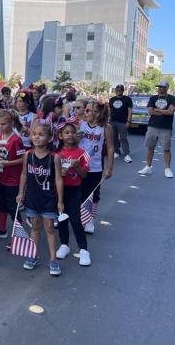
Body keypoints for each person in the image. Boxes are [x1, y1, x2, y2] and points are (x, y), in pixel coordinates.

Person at [16, 121, 64, 276]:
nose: (36, 137)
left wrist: (60, 201)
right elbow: (24, 175)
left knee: (49, 227)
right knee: (35, 227)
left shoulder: (54, 157)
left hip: (48, 198)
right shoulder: (28, 155)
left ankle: (53, 259)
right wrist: (21, 192)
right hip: (32, 197)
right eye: (34, 134)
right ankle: (33, 255)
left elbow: (58, 180)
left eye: (41, 134)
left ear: (49, 138)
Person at [56, 123, 91, 266]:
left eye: (72, 132)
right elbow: (53, 175)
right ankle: (64, 245)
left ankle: (83, 249)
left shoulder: (82, 153)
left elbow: (84, 175)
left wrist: (77, 168)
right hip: (60, 190)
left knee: (76, 220)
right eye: (66, 132)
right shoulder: (57, 154)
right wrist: (60, 173)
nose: (70, 134)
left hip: (75, 190)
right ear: (60, 136)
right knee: (62, 219)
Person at [79, 101, 114, 234]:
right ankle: (79, 216)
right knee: (78, 192)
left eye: (94, 111)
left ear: (100, 113)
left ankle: (90, 220)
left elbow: (110, 148)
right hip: (78, 165)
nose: (89, 113)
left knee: (93, 194)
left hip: (95, 166)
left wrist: (109, 168)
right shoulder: (80, 124)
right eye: (87, 110)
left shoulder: (106, 127)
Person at [0, 110, 25, 241]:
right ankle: (2, 229)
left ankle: (19, 236)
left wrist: (8, 163)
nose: (1, 127)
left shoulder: (16, 139)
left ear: (11, 123)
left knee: (13, 208)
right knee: (3, 203)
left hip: (13, 179)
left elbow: (23, 159)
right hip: (2, 177)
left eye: (3, 124)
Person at [138, 82, 175, 178]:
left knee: (166, 149)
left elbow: (171, 112)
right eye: (159, 87)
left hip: (166, 128)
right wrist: (164, 111)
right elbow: (150, 111)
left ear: (167, 88)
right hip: (152, 126)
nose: (159, 89)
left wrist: (158, 110)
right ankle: (148, 167)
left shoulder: (172, 98)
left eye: (162, 87)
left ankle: (167, 169)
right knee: (150, 148)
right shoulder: (153, 98)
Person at [109, 84, 133, 163]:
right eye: (117, 90)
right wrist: (108, 120)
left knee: (123, 138)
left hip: (123, 122)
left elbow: (130, 111)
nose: (118, 91)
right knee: (114, 138)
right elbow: (110, 110)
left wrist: (129, 121)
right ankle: (116, 152)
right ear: (115, 91)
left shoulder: (127, 99)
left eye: (120, 90)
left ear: (123, 91)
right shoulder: (112, 99)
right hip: (113, 121)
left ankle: (127, 154)